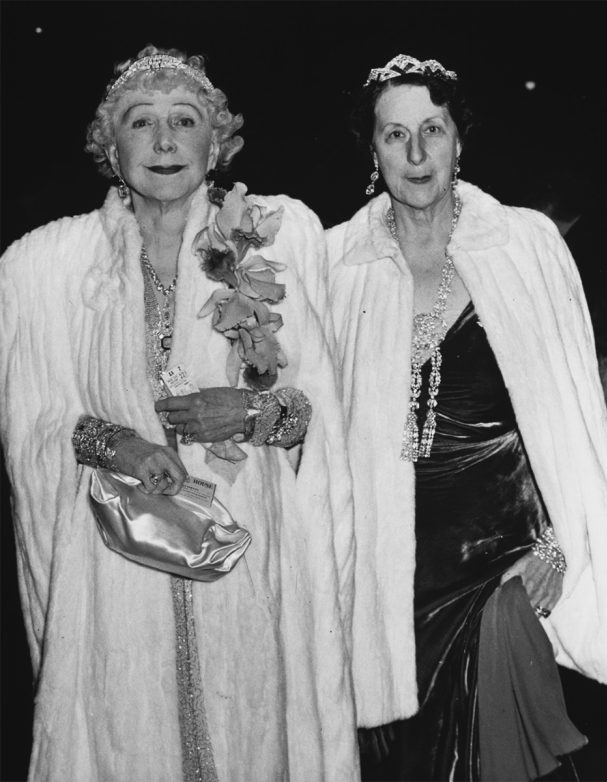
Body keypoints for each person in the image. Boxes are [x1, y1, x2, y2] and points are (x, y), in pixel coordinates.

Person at [0, 46, 357, 780]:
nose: (163, 142)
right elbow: (30, 420)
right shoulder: (47, 266)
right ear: (111, 145)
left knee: (252, 734)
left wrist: (251, 412)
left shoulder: (279, 240)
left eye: (184, 121)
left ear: (216, 142)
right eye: (141, 122)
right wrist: (113, 442)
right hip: (113, 573)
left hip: (248, 569)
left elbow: (323, 410)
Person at [323, 54, 607, 780]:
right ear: (372, 150)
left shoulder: (525, 248)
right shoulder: (331, 263)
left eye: (433, 129)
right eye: (395, 136)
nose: (416, 154)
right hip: (381, 579)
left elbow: (571, 419)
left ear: (460, 138)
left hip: (496, 571)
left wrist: (554, 541)